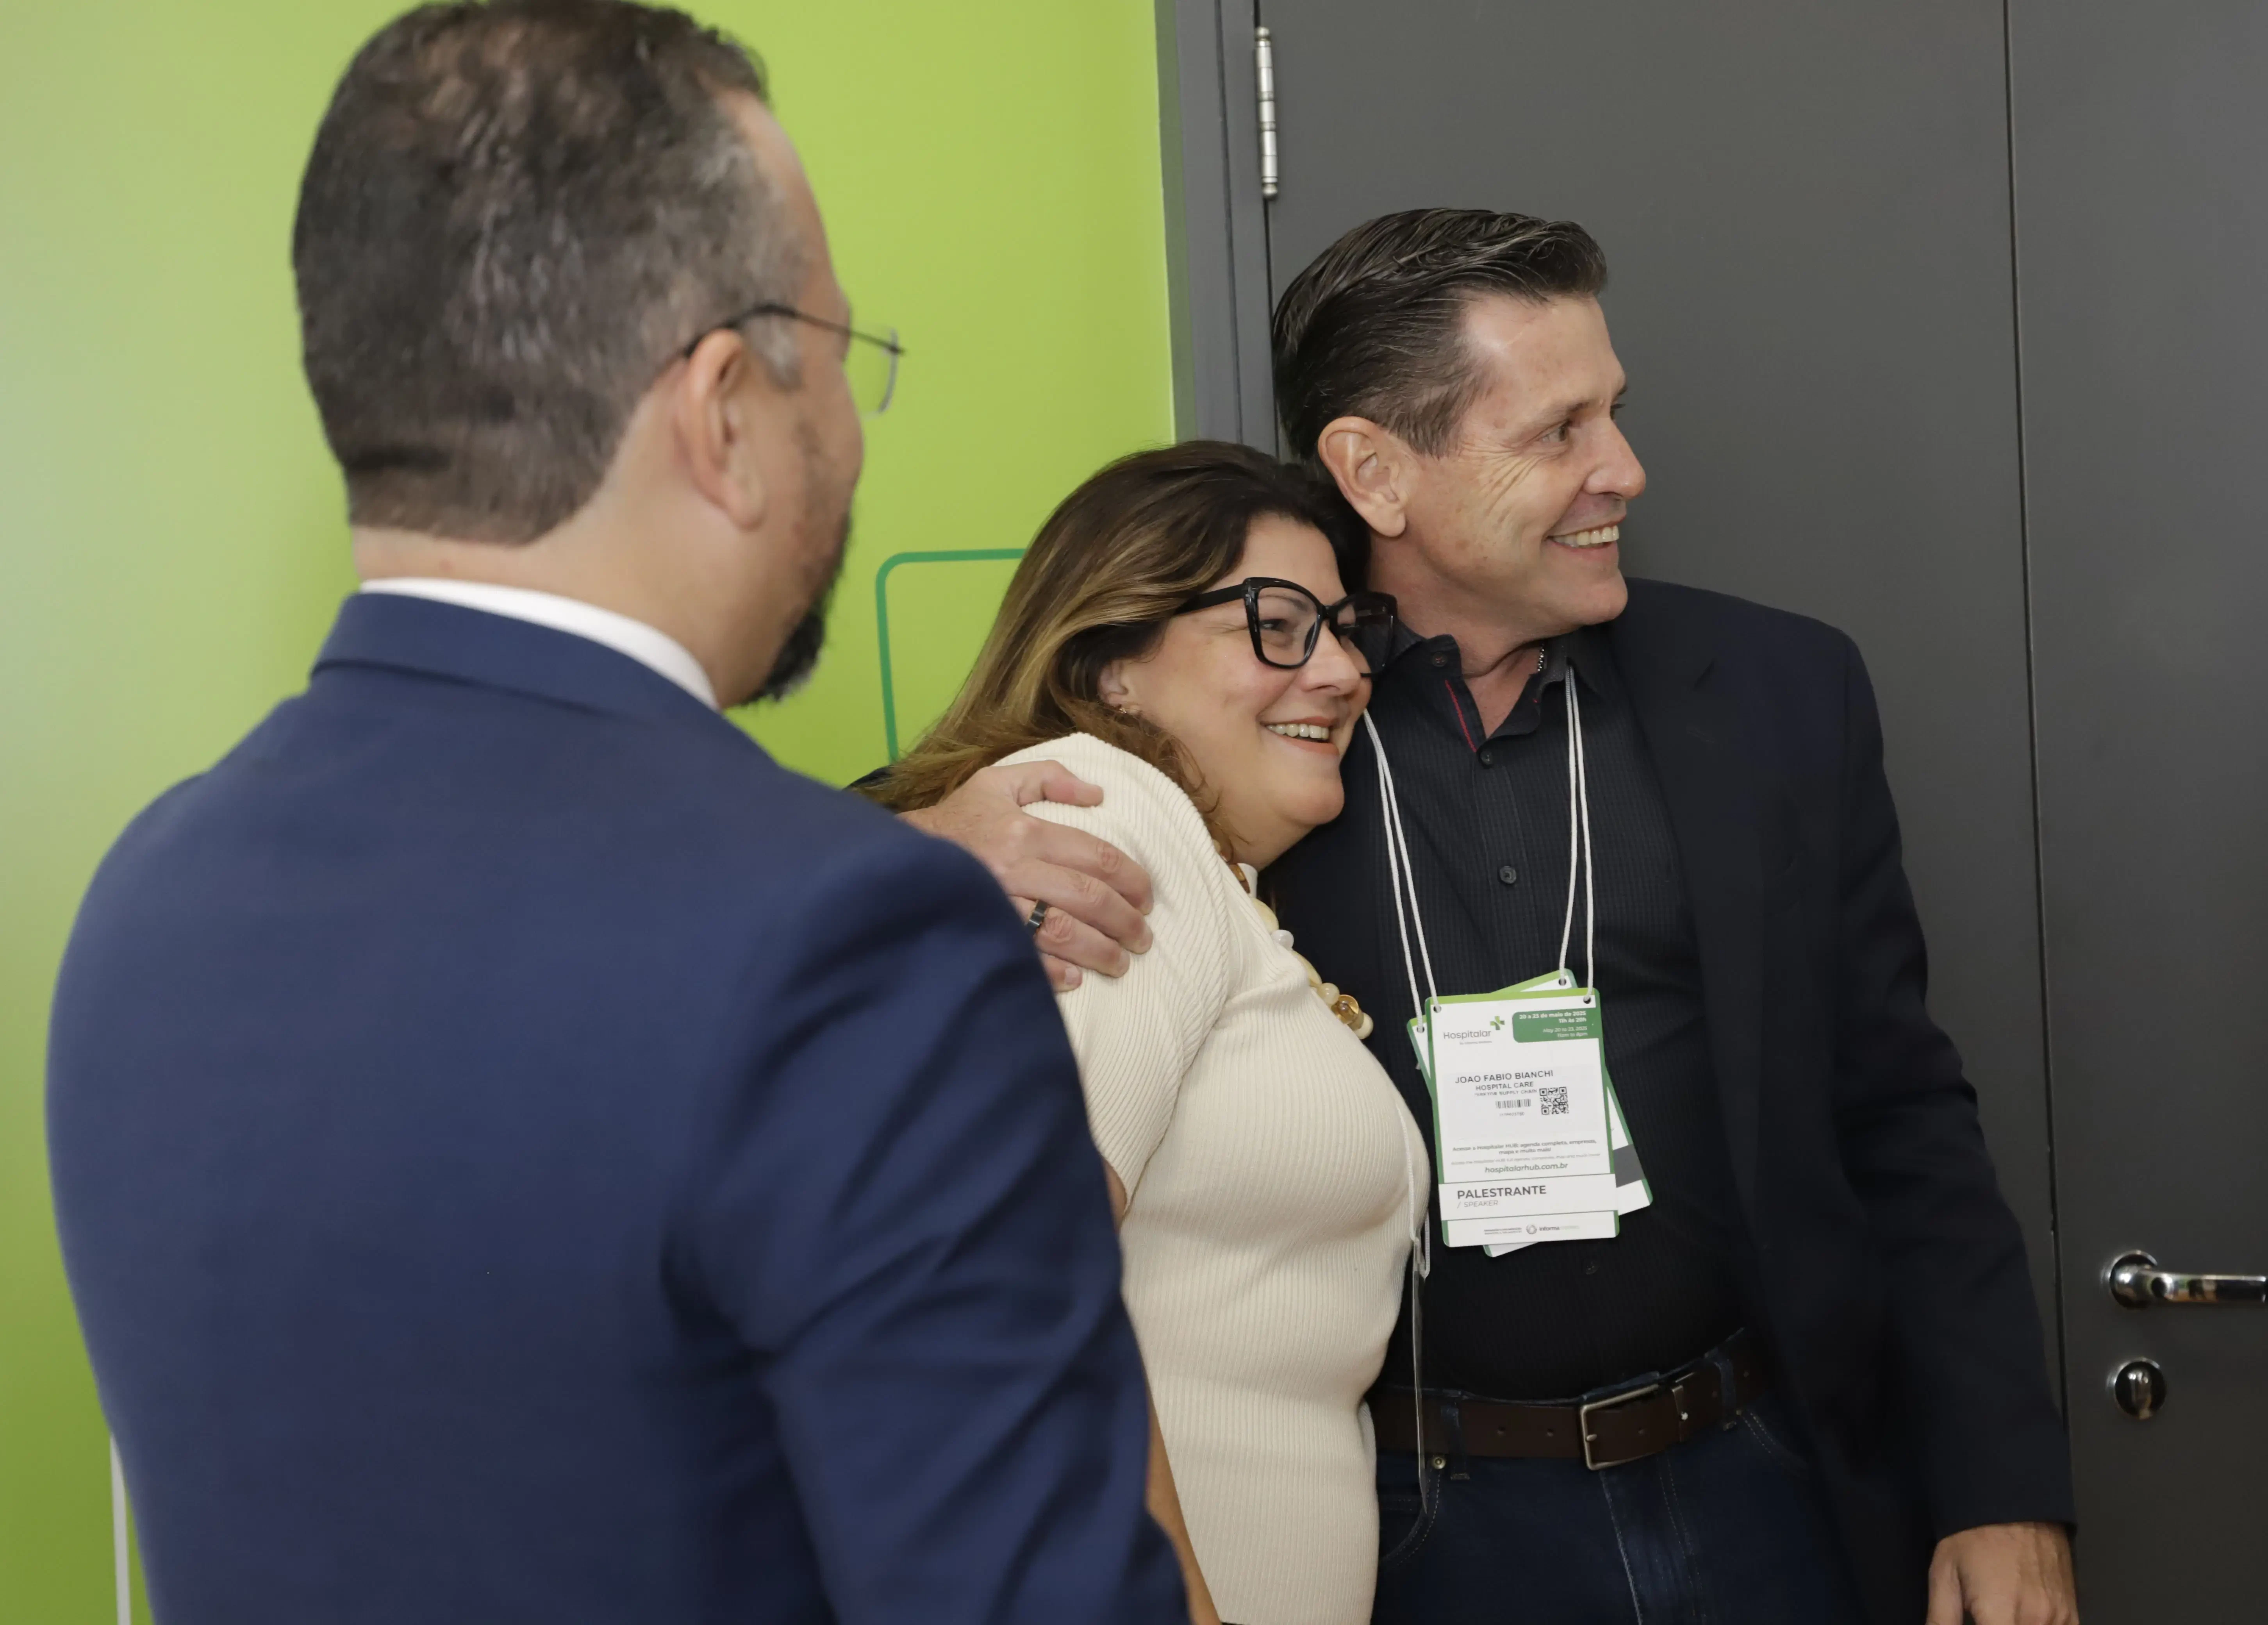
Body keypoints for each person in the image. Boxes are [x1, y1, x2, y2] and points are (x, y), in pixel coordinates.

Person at [45, 5, 1187, 1622]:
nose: (847, 427)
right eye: (836, 355)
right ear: (722, 409)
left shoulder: (148, 896)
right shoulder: (861, 939)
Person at [922, 210, 2080, 1625]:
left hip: (1761, 1479)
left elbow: (1901, 1114)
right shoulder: (1261, 725)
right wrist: (914, 845)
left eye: (1615, 412)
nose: (1624, 468)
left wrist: (1999, 1481)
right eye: (1558, 430)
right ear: (1375, 472)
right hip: (1415, 1526)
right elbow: (988, 815)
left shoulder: (1780, 695)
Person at [866, 442, 1429, 1625]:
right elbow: (1019, 1268)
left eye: (1344, 630)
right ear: (1113, 664)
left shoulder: (1218, 884)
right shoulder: (1107, 812)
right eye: (1278, 626)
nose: (1340, 671)